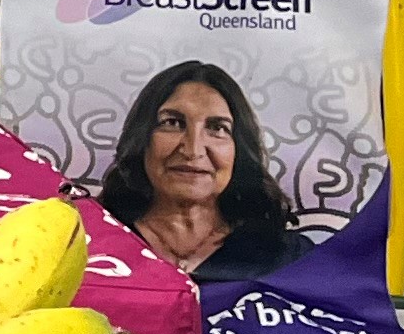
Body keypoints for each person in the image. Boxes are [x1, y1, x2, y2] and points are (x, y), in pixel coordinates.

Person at [100, 59, 307, 282]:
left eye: (217, 128)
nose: (193, 150)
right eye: (172, 122)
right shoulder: (93, 245)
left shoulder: (288, 259)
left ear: (239, 150)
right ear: (141, 139)